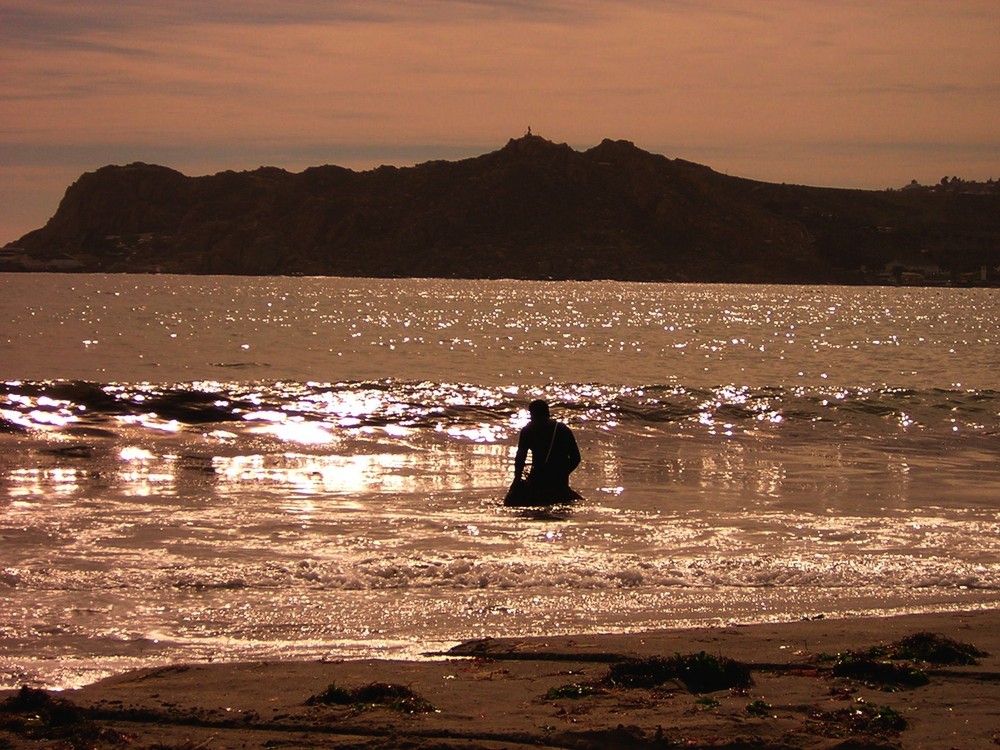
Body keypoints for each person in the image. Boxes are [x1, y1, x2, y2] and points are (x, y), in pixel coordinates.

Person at [506, 399, 581, 505]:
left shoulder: (528, 430)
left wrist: (516, 480)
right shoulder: (563, 429)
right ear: (547, 412)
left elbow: (520, 458)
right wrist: (562, 474)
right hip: (560, 483)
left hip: (538, 480)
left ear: (532, 414)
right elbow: (576, 458)